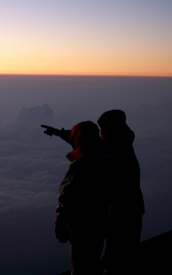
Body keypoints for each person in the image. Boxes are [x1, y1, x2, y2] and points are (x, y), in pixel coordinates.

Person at [50, 121, 109, 275]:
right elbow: (79, 137)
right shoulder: (105, 158)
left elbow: (65, 198)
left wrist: (60, 224)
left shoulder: (79, 169)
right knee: (94, 262)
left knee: (81, 268)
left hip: (80, 230)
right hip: (100, 225)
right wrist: (59, 133)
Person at [97, 110, 145, 275]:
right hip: (132, 211)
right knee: (128, 254)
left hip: (121, 215)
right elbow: (97, 145)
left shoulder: (115, 154)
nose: (100, 134)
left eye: (102, 131)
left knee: (117, 261)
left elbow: (97, 149)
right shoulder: (122, 144)